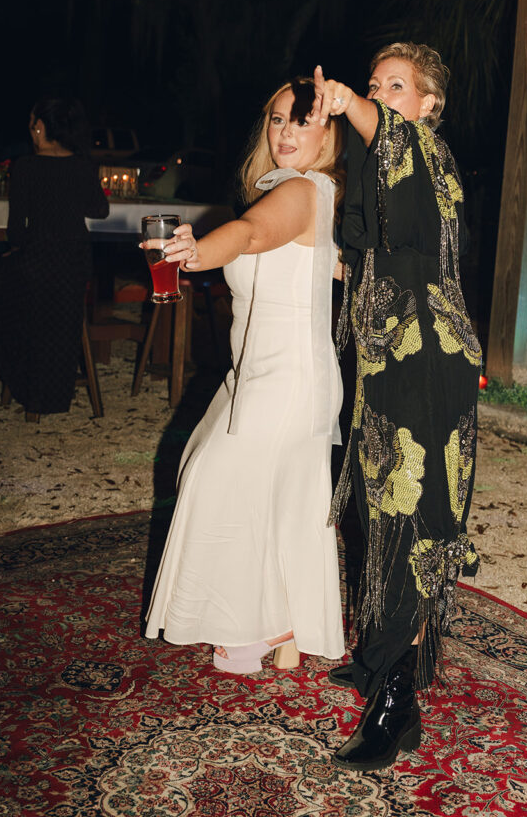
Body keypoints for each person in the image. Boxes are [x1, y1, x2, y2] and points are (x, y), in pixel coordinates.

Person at [311, 42, 482, 772]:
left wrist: (350, 100)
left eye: (396, 87)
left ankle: (395, 706)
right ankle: (385, 654)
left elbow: (391, 137)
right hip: (390, 358)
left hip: (428, 363)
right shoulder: (382, 170)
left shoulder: (428, 156)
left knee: (410, 509)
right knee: (380, 506)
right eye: (377, 82)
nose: (383, 96)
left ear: (427, 105)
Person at [144, 78, 345, 673]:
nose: (286, 131)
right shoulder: (293, 192)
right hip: (259, 373)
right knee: (267, 497)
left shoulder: (304, 190)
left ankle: (257, 625)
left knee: (219, 478)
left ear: (328, 133)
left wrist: (200, 253)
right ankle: (285, 624)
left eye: (302, 121)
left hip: (288, 378)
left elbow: (253, 235)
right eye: (278, 120)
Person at [0, 97, 109, 417]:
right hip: (74, 266)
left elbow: (16, 231)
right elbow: (100, 209)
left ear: (40, 128)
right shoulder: (82, 164)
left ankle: (22, 378)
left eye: (32, 124)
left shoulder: (26, 167)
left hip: (37, 265)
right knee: (42, 297)